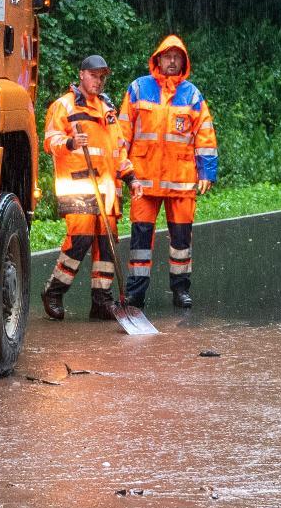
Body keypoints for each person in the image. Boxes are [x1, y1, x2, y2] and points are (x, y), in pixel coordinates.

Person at [119, 33, 217, 309]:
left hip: (181, 182)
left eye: (177, 57)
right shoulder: (138, 89)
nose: (172, 61)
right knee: (140, 240)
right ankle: (135, 292)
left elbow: (205, 134)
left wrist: (207, 171)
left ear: (183, 62)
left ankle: (181, 290)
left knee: (181, 241)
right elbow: (122, 133)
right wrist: (120, 168)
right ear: (158, 59)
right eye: (168, 56)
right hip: (144, 181)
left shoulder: (192, 95)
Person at [42, 54, 126, 320]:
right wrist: (70, 143)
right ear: (81, 75)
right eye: (94, 76)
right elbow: (50, 141)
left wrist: (131, 176)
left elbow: (118, 149)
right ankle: (54, 291)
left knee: (106, 245)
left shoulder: (108, 109)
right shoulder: (63, 106)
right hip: (78, 185)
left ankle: (101, 300)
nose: (98, 81)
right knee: (79, 241)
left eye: (102, 77)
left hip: (107, 190)